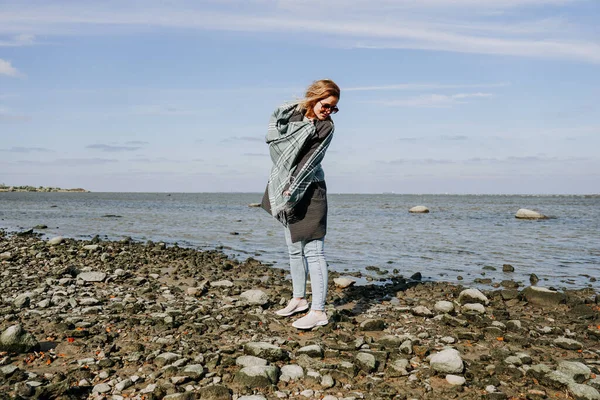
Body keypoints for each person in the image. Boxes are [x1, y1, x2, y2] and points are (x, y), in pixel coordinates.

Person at [261, 79, 340, 329]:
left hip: (308, 189)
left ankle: (319, 311)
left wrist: (289, 191)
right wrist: (284, 188)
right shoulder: (291, 115)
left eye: (333, 108)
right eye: (326, 105)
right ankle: (299, 299)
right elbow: (277, 141)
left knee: (314, 251)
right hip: (284, 184)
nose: (328, 111)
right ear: (314, 98)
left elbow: (309, 161)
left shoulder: (325, 127)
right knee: (294, 248)